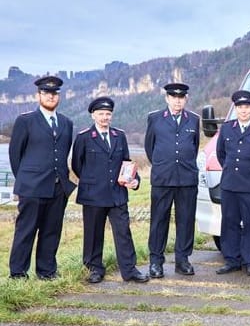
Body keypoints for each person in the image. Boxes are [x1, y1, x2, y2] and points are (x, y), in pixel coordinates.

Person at [71, 97, 149, 284]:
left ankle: (129, 270)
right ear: (93, 115)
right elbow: (77, 165)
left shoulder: (119, 136)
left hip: (117, 194)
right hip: (93, 195)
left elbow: (126, 162)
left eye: (108, 114)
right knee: (93, 234)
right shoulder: (83, 137)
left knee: (123, 233)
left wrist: (134, 181)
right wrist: (94, 181)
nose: (105, 117)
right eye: (101, 114)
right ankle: (94, 269)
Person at [8, 76, 76, 280]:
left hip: (58, 188)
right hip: (32, 188)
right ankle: (18, 274)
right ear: (38, 95)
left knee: (51, 231)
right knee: (26, 231)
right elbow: (15, 155)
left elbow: (64, 153)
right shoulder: (25, 120)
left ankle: (46, 272)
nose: (51, 96)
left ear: (59, 97)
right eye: (46, 93)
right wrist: (25, 181)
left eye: (54, 93)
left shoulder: (66, 122)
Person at [145, 82, 200, 277]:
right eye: (174, 97)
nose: (178, 101)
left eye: (181, 97)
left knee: (186, 220)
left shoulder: (193, 120)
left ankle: (182, 260)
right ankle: (156, 262)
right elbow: (149, 148)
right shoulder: (155, 118)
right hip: (162, 178)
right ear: (167, 98)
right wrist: (163, 165)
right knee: (159, 220)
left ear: (186, 99)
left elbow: (194, 146)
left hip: (186, 178)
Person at [215, 90, 250, 276]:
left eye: (246, 107)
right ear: (235, 109)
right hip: (230, 184)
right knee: (229, 222)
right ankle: (231, 260)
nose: (243, 110)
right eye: (240, 107)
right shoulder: (226, 128)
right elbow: (221, 154)